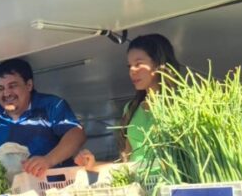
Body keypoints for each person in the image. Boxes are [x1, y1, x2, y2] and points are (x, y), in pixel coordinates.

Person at [75, 34, 182, 171]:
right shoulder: (131, 108)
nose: (132, 71)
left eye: (138, 64)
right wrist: (93, 164)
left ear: (158, 64)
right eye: (129, 66)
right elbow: (126, 163)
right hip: (138, 183)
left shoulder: (181, 105)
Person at [0, 58, 87, 177]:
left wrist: (48, 160)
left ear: (29, 85)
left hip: (54, 186)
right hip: (10, 188)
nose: (6, 93)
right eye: (0, 88)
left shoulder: (52, 106)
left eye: (12, 86)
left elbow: (76, 133)